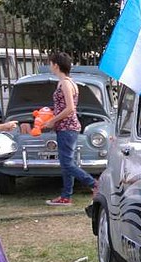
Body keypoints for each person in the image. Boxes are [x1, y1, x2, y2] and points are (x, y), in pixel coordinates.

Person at [42, 52, 97, 206]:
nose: (50, 66)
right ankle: (66, 196)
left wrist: (52, 121)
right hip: (66, 127)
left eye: (50, 63)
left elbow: (70, 108)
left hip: (67, 127)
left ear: (56, 65)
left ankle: (94, 184)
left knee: (66, 163)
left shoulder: (65, 83)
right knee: (67, 163)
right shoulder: (68, 82)